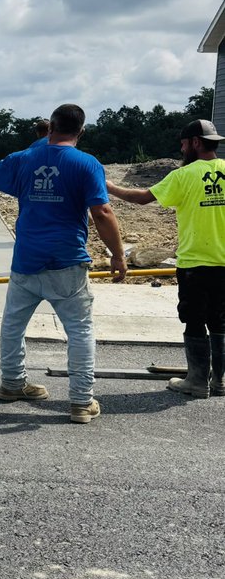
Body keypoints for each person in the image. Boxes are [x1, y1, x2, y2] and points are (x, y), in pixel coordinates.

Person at [0, 103, 127, 423]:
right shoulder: (87, 164)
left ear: (50, 128)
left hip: (26, 261)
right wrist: (118, 255)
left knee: (13, 325)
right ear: (81, 132)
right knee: (80, 330)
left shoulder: (24, 159)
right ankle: (81, 402)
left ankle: (12, 383)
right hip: (67, 263)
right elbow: (102, 212)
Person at [106, 118, 225, 398]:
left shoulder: (183, 176)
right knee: (220, 321)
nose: (182, 150)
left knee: (194, 321)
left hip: (195, 263)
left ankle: (197, 381)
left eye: (183, 144)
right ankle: (219, 381)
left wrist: (109, 186)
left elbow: (142, 198)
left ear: (195, 142)